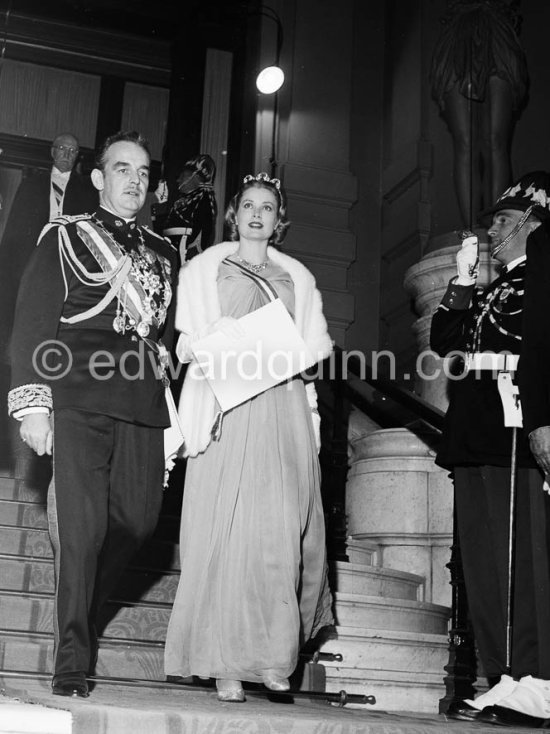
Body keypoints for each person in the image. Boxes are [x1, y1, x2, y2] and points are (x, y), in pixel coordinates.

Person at [7, 130, 178, 699]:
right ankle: (73, 660)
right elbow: (34, 320)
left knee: (138, 523)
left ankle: (83, 612)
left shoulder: (165, 251)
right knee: (81, 534)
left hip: (140, 404)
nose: (135, 180)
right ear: (99, 179)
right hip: (78, 396)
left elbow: (159, 335)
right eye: (122, 169)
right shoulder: (67, 237)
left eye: (144, 172)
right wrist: (33, 404)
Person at [164, 172, 334, 702]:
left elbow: (310, 348)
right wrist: (220, 343)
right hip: (228, 403)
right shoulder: (204, 268)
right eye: (249, 206)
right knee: (227, 532)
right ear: (233, 214)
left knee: (278, 533)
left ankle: (273, 656)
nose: (258, 214)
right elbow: (188, 340)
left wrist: (300, 369)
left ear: (279, 221)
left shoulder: (298, 278)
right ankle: (224, 664)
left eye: (268, 207)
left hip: (281, 404)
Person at [430, 171, 550, 726]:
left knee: (521, 560)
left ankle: (539, 679)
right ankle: (504, 677)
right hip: (476, 428)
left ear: (531, 223)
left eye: (503, 220)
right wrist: (460, 282)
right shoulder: (494, 288)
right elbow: (447, 343)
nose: (494, 229)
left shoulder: (541, 279)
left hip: (514, 425)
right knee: (484, 562)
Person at [430, 0, 528, 227]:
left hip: (497, 33)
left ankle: (498, 228)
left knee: (495, 141)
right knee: (465, 143)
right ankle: (470, 231)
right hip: (458, 36)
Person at [0, 132, 98, 361]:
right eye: (63, 149)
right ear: (53, 152)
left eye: (73, 151)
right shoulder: (31, 183)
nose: (67, 154)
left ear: (77, 157)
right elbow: (15, 228)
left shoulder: (86, 190)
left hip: (67, 260)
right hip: (31, 258)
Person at [160, 153, 217, 266]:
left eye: (183, 175)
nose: (178, 180)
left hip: (184, 262)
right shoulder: (185, 200)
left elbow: (200, 237)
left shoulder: (204, 199)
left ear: (195, 177)